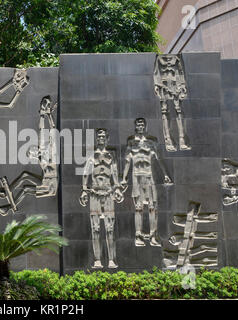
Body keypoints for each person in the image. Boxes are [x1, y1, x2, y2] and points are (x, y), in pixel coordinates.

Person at [0, 95, 58, 215]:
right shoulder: (42, 158)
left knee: (26, 188)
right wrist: (42, 115)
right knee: (25, 177)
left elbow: (52, 129)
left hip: (50, 186)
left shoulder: (51, 154)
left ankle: (9, 206)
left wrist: (47, 115)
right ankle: (6, 194)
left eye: (33, 151)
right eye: (33, 153)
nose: (35, 152)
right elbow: (41, 130)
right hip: (45, 182)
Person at [121, 118, 172, 247]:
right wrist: (124, 177)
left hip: (149, 176)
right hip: (136, 176)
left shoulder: (152, 142)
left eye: (142, 124)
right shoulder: (131, 142)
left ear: (146, 126)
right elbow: (127, 161)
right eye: (138, 124)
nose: (140, 126)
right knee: (138, 208)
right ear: (135, 126)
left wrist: (166, 174)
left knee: (152, 207)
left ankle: (153, 235)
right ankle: (138, 235)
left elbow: (159, 158)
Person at [79, 128, 124, 269]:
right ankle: (97, 259)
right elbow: (86, 174)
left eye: (103, 136)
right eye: (99, 136)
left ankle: (111, 259)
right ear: (96, 139)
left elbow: (115, 174)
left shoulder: (112, 156)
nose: (101, 138)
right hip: (94, 194)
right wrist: (84, 191)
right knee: (95, 228)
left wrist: (117, 189)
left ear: (107, 138)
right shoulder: (91, 156)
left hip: (108, 193)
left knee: (110, 229)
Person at [154, 54, 191, 152]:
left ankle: (182, 140)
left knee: (179, 112)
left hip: (176, 87)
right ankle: (168, 140)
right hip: (164, 88)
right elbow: (156, 73)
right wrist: (157, 86)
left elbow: (180, 72)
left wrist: (182, 85)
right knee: (165, 112)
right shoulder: (159, 60)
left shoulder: (177, 59)